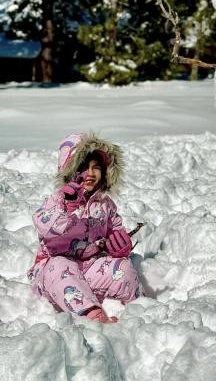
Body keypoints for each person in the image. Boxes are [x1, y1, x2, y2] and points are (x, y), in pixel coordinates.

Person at [28, 133, 141, 323]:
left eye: (96, 168)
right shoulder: (58, 200)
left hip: (89, 268)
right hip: (54, 273)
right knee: (59, 267)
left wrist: (119, 246)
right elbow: (44, 226)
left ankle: (142, 309)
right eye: (83, 167)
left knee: (124, 268)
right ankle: (92, 315)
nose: (90, 173)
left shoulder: (105, 205)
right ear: (69, 170)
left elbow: (115, 230)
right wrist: (65, 208)